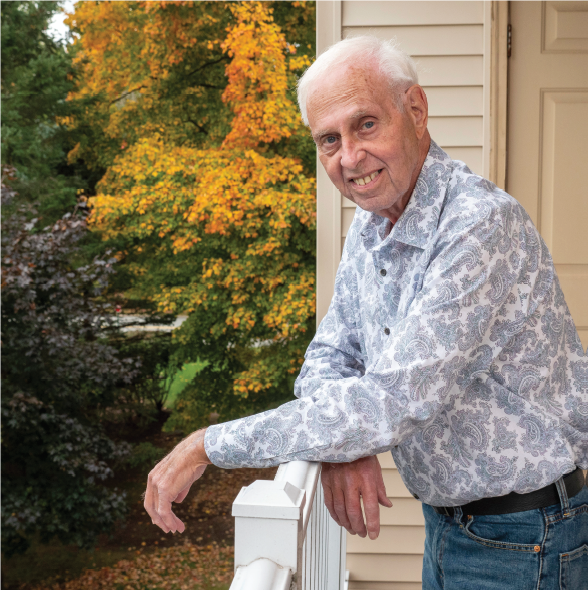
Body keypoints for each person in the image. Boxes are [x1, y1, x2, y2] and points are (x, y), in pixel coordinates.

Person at [144, 36, 588, 589]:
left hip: (526, 536)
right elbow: (331, 354)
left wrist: (207, 444)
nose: (349, 157)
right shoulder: (373, 224)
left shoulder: (478, 226)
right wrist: (340, 445)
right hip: (454, 528)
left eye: (366, 125)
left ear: (416, 111)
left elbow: (390, 401)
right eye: (328, 139)